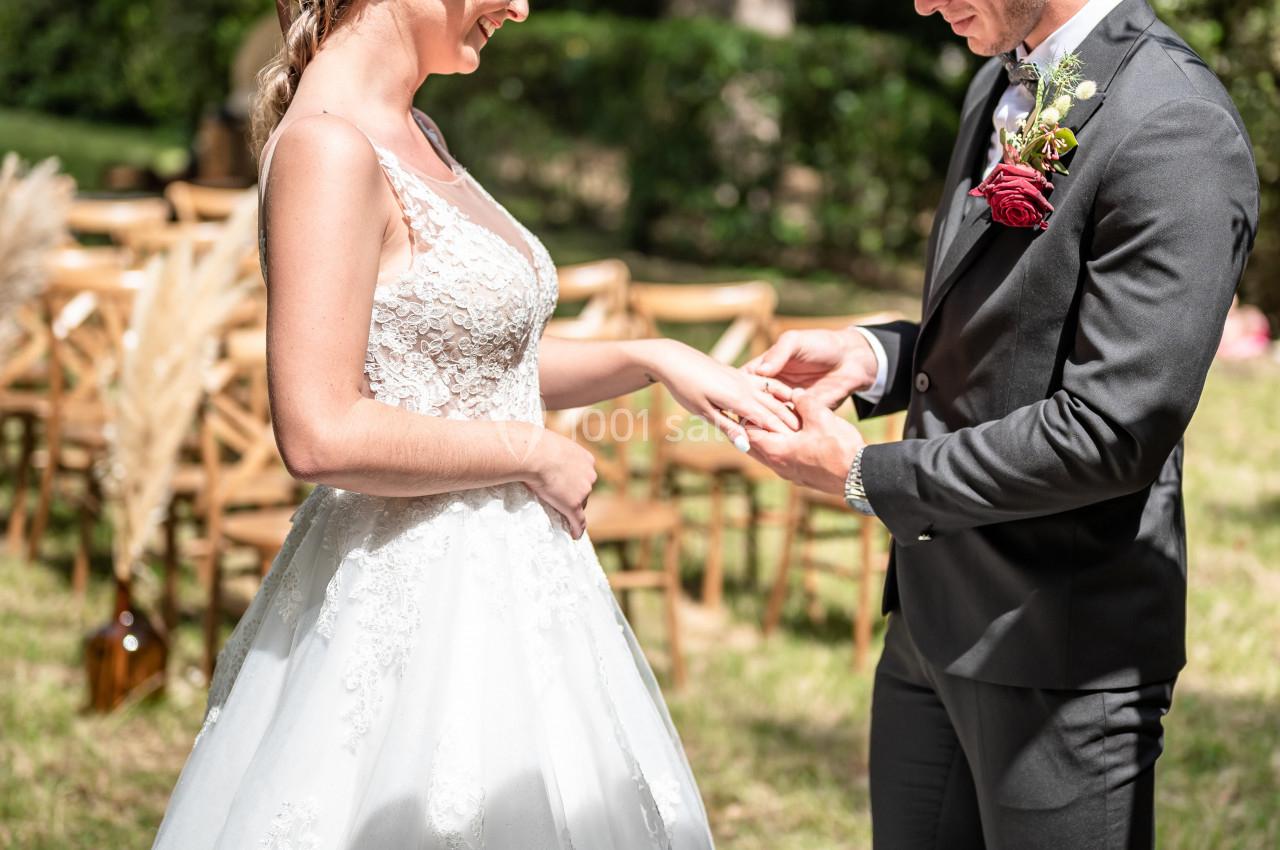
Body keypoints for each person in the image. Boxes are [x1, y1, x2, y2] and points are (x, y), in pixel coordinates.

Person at [152, 2, 797, 846]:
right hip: (410, 601)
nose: (520, 9)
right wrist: (529, 453)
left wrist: (655, 355)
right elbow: (318, 430)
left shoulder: (414, 128)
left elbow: (474, 365)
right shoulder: (329, 145)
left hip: (513, 587)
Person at [742, 0, 1258, 847]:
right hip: (931, 623)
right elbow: (1015, 337)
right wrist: (874, 359)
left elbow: (1109, 431)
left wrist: (864, 475)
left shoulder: (1174, 122)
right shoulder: (1000, 77)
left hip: (1058, 650)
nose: (920, 4)